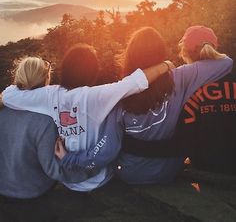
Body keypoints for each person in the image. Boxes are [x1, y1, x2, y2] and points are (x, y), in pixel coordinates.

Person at [55, 26, 233, 185]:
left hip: (130, 174)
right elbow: (225, 63)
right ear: (161, 53)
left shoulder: (121, 95)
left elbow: (106, 152)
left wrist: (69, 159)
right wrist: (165, 66)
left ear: (130, 56)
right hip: (169, 170)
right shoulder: (182, 78)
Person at [1, 43, 174, 192]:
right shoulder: (96, 96)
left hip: (67, 179)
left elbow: (8, 95)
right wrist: (164, 66)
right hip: (98, 177)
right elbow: (133, 83)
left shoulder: (49, 95)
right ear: (93, 71)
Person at [122, 70, 236, 175]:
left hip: (206, 170)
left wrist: (131, 144)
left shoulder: (191, 91)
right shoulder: (230, 74)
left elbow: (180, 146)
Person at [0, 105, 95, 222]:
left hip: (3, 194)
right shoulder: (44, 121)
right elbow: (53, 169)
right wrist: (89, 170)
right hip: (33, 197)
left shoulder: (3, 112)